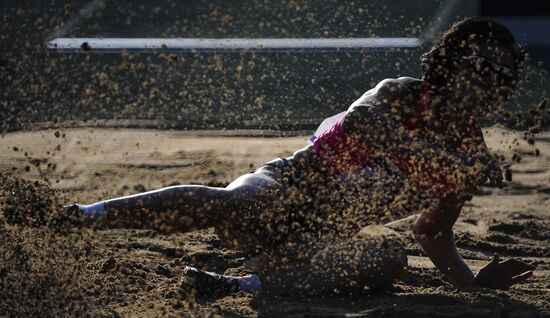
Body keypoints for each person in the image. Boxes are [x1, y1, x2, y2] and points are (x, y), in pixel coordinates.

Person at [67, 18, 536, 297]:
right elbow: (362, 126)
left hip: (313, 243)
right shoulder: (401, 94)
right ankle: (83, 216)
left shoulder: (471, 154)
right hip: (280, 190)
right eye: (479, 65)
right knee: (243, 201)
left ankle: (234, 287)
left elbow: (431, 232)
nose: (489, 79)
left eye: (502, 74)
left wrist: (473, 285)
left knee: (390, 258)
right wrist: (445, 163)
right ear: (448, 64)